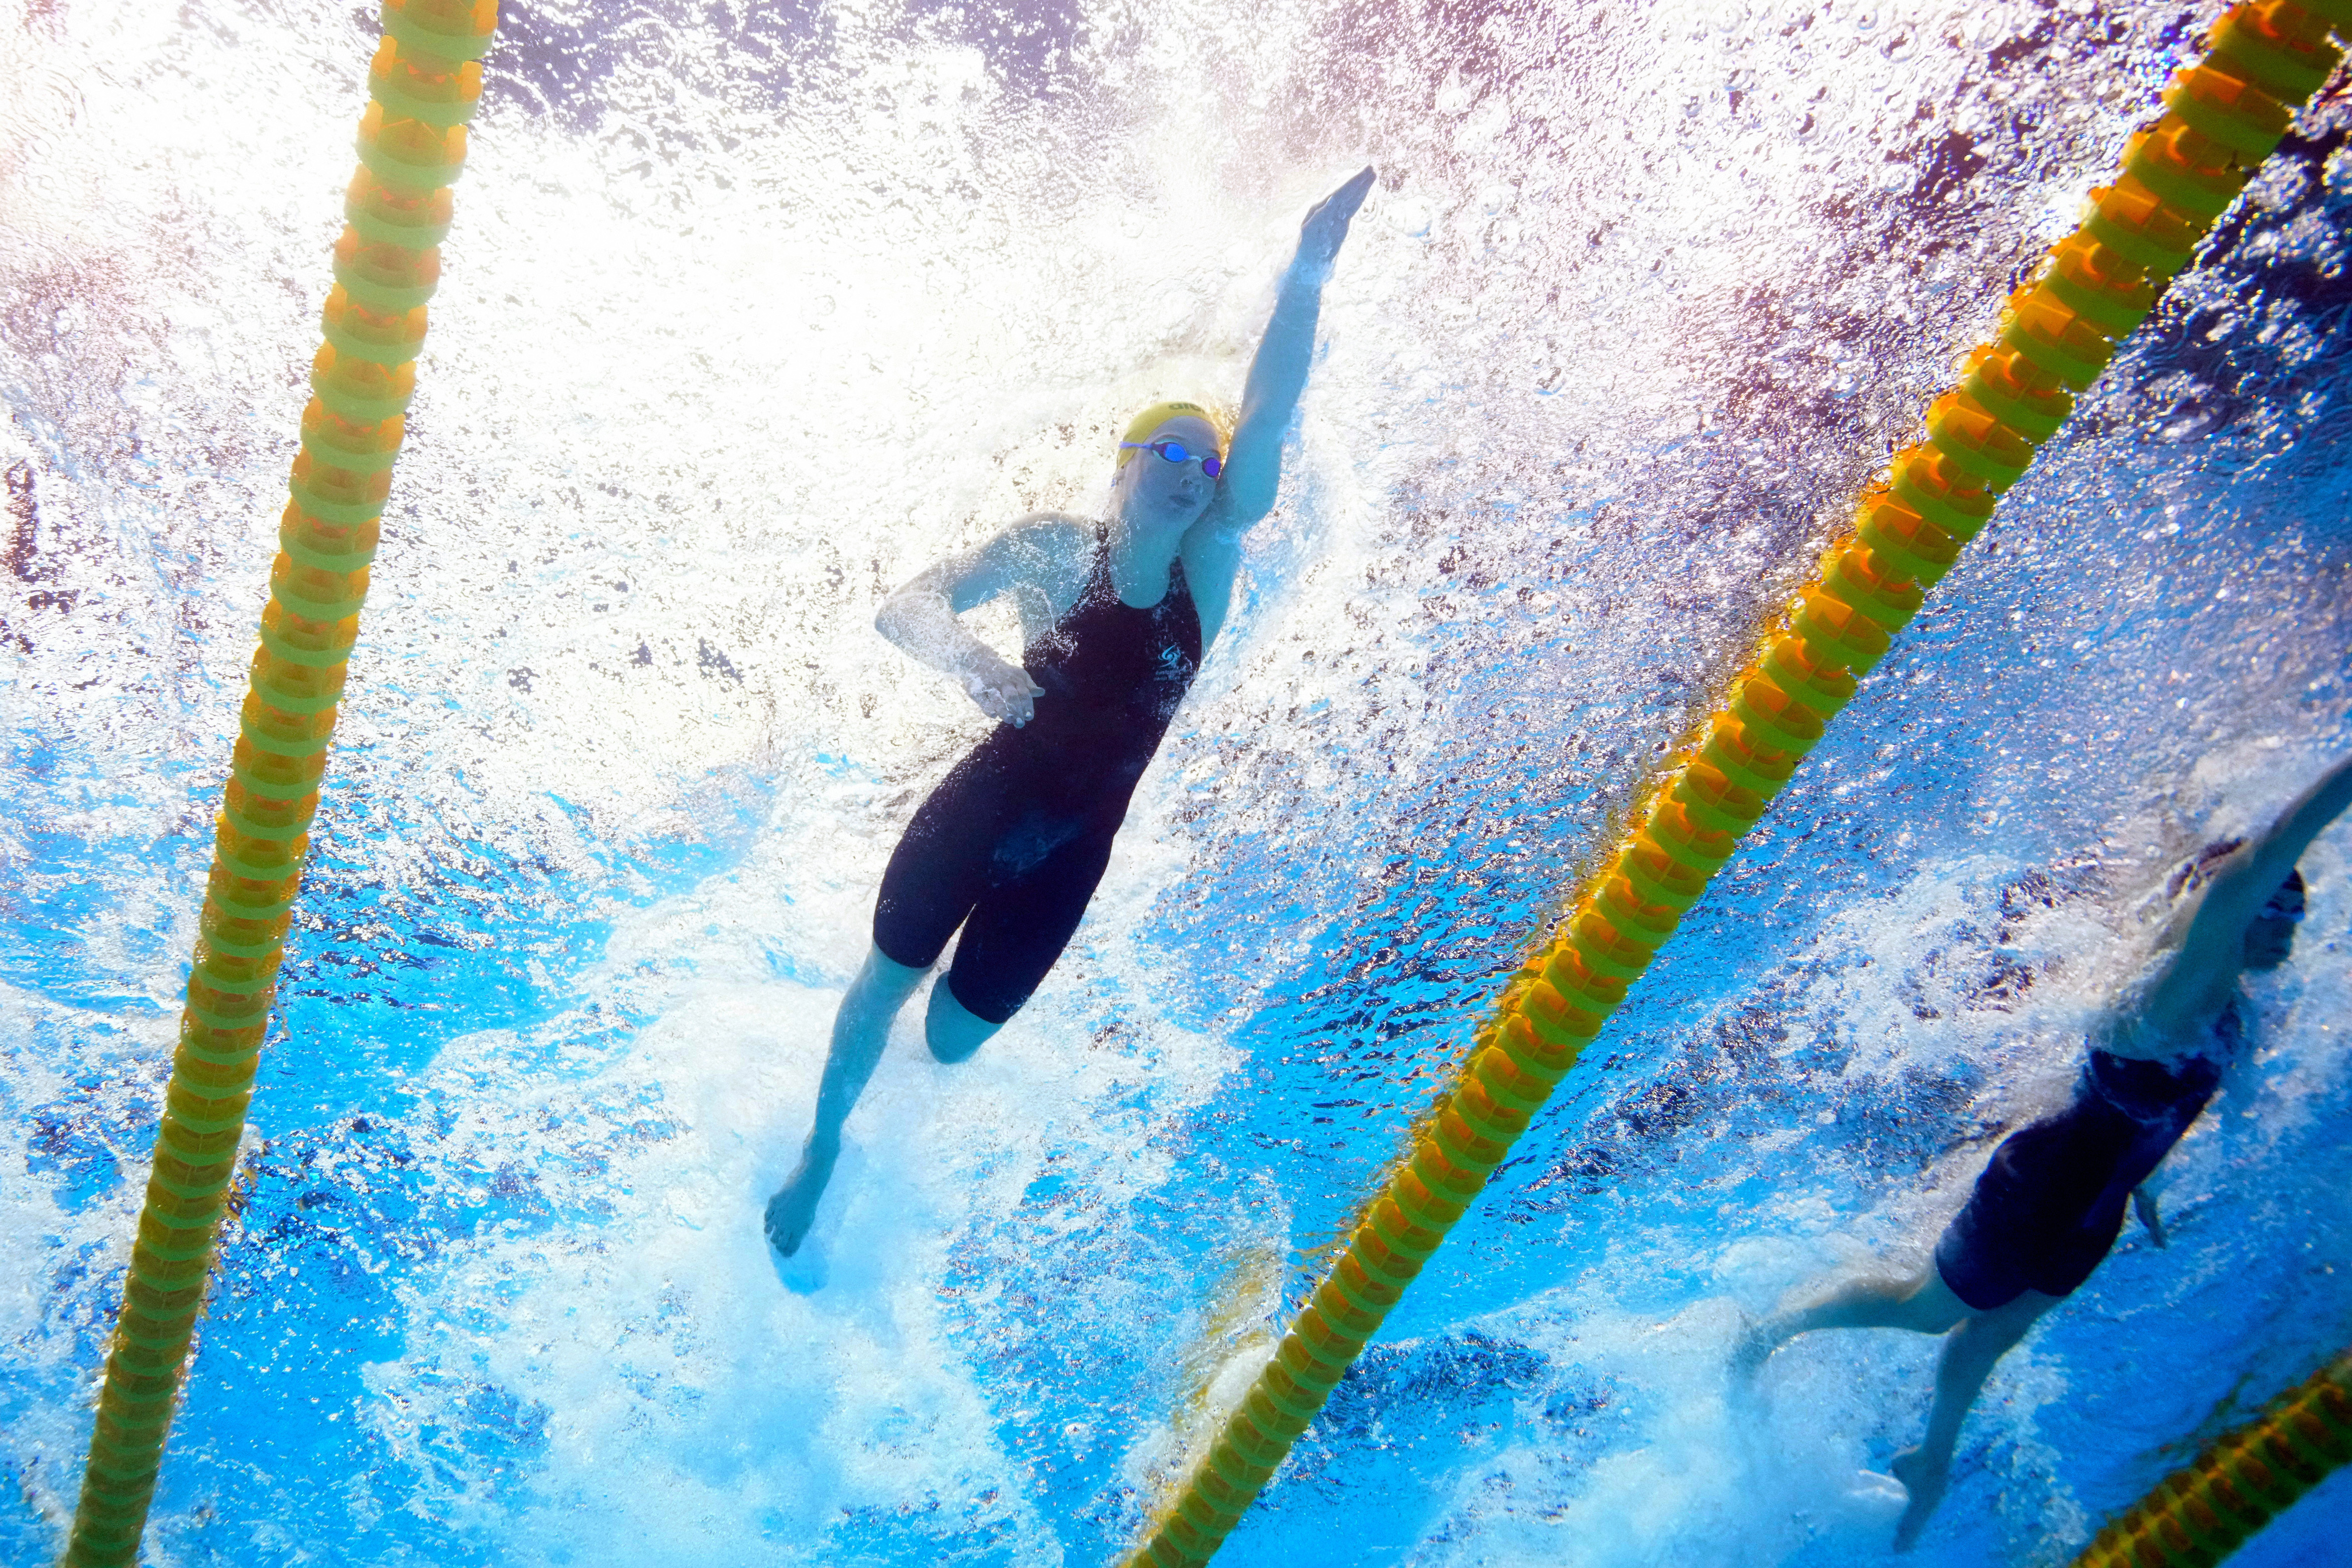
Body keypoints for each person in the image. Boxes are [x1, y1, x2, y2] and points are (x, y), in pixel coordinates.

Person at [764, 167, 1378, 1259]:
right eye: (1170, 453)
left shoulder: (1212, 568)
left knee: (950, 1043)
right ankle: (819, 1144)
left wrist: (1308, 271)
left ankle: (895, 1070)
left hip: (1073, 851)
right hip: (982, 804)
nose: (1194, 472)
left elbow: (1271, 415)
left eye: (1207, 459)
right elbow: (903, 605)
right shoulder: (1055, 547)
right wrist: (968, 662)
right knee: (887, 978)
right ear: (1126, 464)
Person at [1736, 751, 2352, 1549]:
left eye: (2298, 918)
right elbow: (2268, 850)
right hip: (2044, 1180)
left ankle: (1932, 1457)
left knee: (1997, 1333)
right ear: (2236, 909)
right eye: (2279, 911)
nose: (2290, 931)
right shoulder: (2185, 982)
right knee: (1928, 1313)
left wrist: (2149, 1185)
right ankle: (1773, 1328)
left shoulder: (2228, 1012)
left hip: (2100, 1202)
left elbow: (2168, 1107)